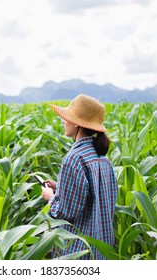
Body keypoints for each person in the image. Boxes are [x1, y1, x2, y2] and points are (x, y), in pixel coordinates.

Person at [41, 94, 118, 260]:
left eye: (66, 118)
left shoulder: (74, 158)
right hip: (102, 248)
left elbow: (64, 212)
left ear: (76, 123)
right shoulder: (102, 157)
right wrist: (61, 187)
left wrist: (50, 197)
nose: (63, 121)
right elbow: (95, 196)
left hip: (79, 251)